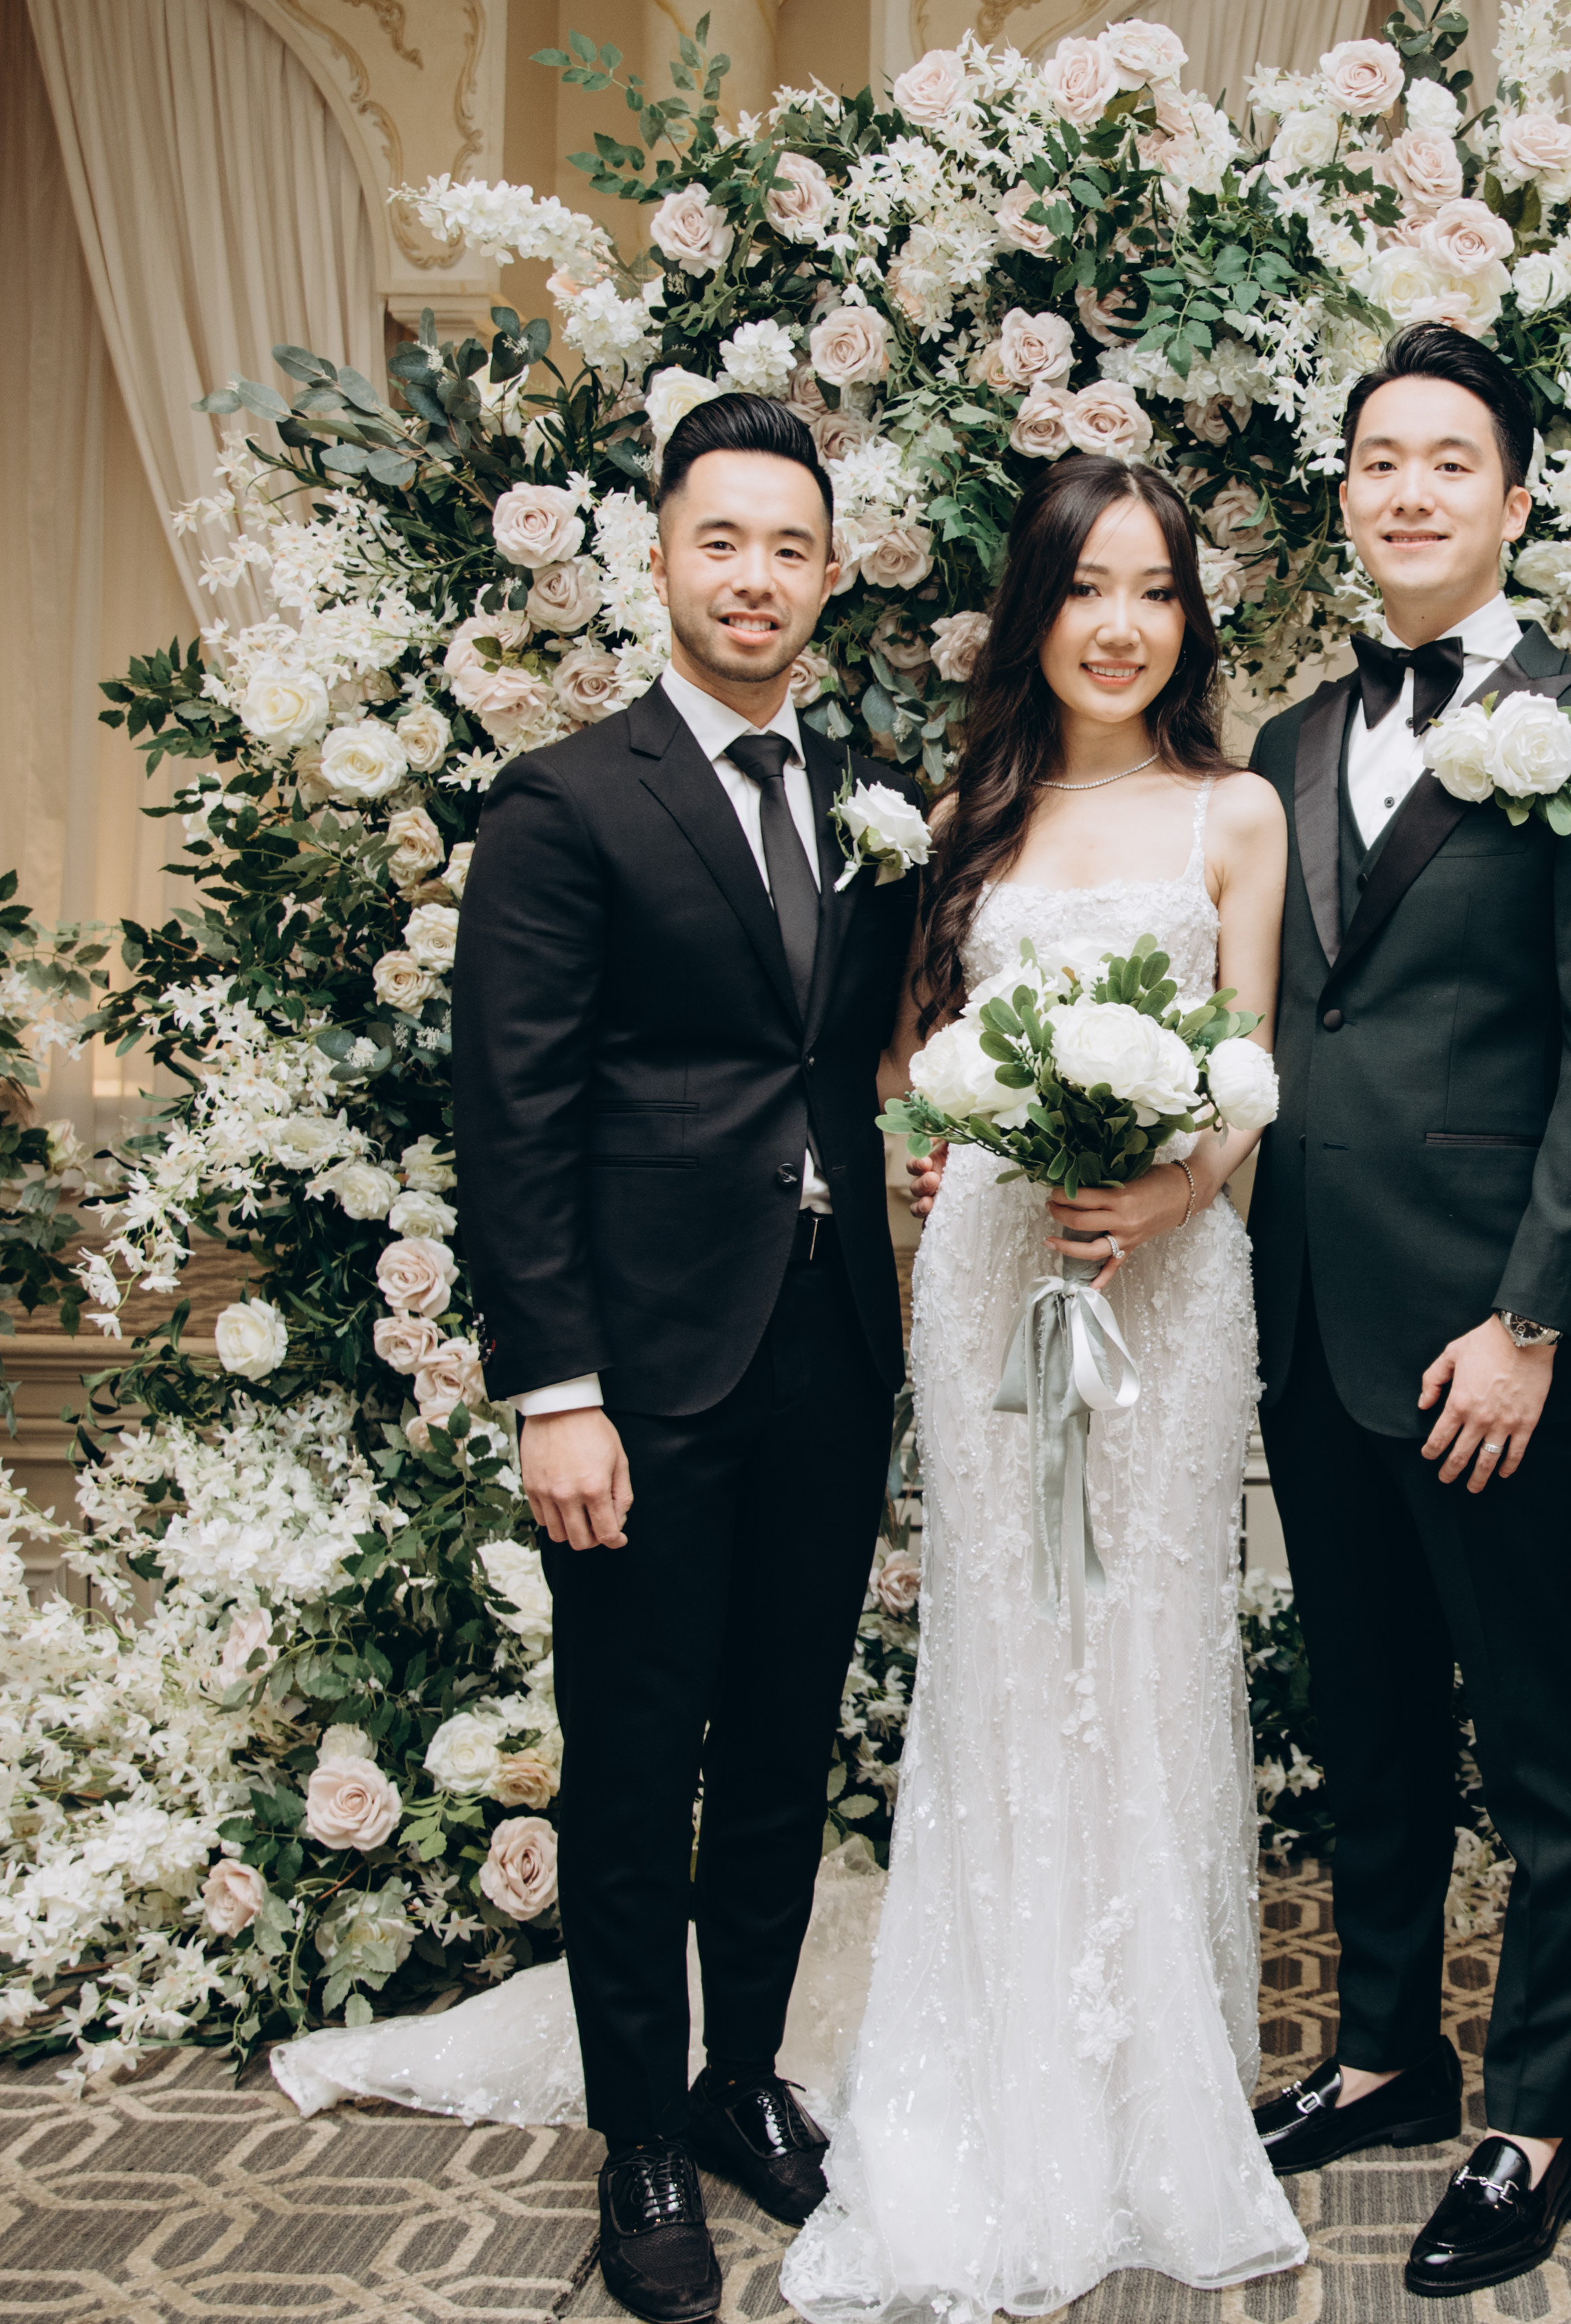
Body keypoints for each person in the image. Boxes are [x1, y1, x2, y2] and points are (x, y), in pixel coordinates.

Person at [787, 454, 1305, 2323]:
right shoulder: (963, 821)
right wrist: (941, 1157)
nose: (1120, 623)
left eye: (1154, 589)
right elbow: (904, 1064)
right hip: (995, 1277)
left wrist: (1165, 1193)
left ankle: (1149, 2075)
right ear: (1036, 611)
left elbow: (1252, 1066)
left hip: (1169, 1283)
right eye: (1088, 587)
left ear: (1188, 618)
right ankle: (996, 2057)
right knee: (1009, 1641)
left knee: (1145, 1642)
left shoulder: (1237, 811)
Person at [1237, 321, 1571, 2298]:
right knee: (1365, 1716)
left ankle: (1533, 2119)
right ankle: (1382, 2055)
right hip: (1309, 1312)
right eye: (1377, 461)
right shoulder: (1283, 744)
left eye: (1448, 461)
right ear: (1344, 494)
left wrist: (1531, 1322)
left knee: (1539, 1734)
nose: (1407, 490)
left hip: (1486, 1341)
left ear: (1515, 499)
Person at [451, 391, 921, 2324]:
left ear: (831, 575)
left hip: (827, 1348)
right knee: (639, 1762)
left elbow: (857, 1060)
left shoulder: (869, 798)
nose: (754, 577)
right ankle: (639, 2130)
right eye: (720, 541)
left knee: (788, 1747)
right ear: (657, 560)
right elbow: (513, 1116)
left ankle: (742, 2081)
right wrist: (553, 1390)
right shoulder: (568, 802)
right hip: (639, 1377)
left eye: (789, 548)